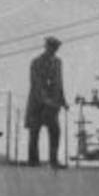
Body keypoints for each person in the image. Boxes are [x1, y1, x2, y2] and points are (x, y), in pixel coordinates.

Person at [25, 37, 67, 168]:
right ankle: (33, 161)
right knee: (34, 131)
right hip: (38, 103)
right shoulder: (36, 62)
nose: (54, 50)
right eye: (52, 47)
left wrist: (62, 100)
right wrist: (44, 99)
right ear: (47, 47)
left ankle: (53, 160)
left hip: (52, 105)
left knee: (55, 131)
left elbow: (59, 83)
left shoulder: (58, 62)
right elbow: (36, 83)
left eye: (56, 48)